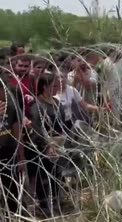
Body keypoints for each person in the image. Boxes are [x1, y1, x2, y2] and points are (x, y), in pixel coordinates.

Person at [26, 73, 66, 217]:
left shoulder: (56, 102)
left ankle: (56, 201)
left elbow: (64, 123)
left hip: (58, 143)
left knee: (56, 173)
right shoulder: (37, 106)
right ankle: (44, 206)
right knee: (44, 176)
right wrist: (47, 146)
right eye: (54, 86)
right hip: (43, 146)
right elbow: (37, 129)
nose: (57, 88)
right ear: (44, 87)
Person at [0, 78, 27, 217]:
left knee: (13, 188)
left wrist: (21, 158)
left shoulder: (10, 107)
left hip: (10, 153)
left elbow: (18, 133)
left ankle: (17, 214)